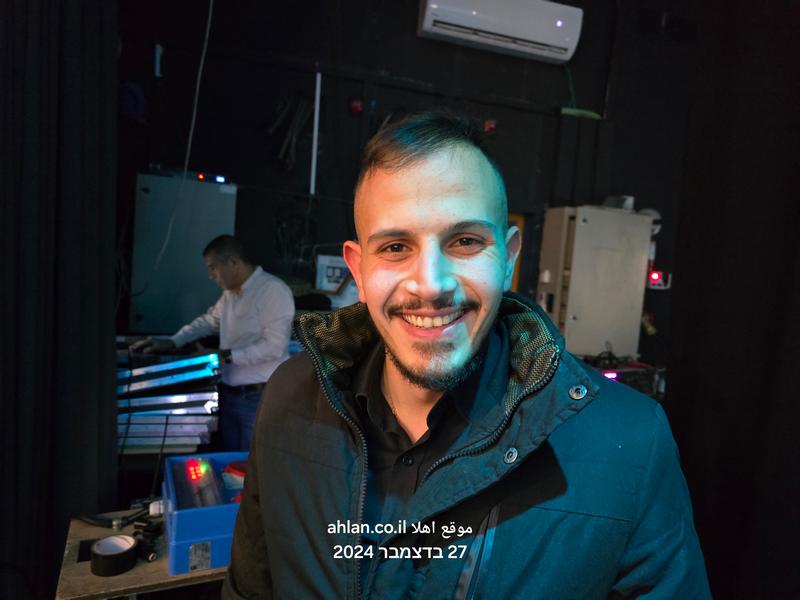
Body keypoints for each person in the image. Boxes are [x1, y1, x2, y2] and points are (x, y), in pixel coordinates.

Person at [222, 112, 710, 598]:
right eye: (395, 247)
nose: (431, 285)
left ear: (508, 258)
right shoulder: (289, 398)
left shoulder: (630, 442)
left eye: (465, 241)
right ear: (359, 269)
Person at [131, 235, 294, 451]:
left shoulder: (272, 290)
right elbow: (209, 322)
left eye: (213, 267)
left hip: (259, 398)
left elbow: (274, 346)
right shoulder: (230, 294)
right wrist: (173, 341)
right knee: (229, 462)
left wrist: (223, 355)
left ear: (233, 262)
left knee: (251, 464)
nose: (211, 275)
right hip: (229, 394)